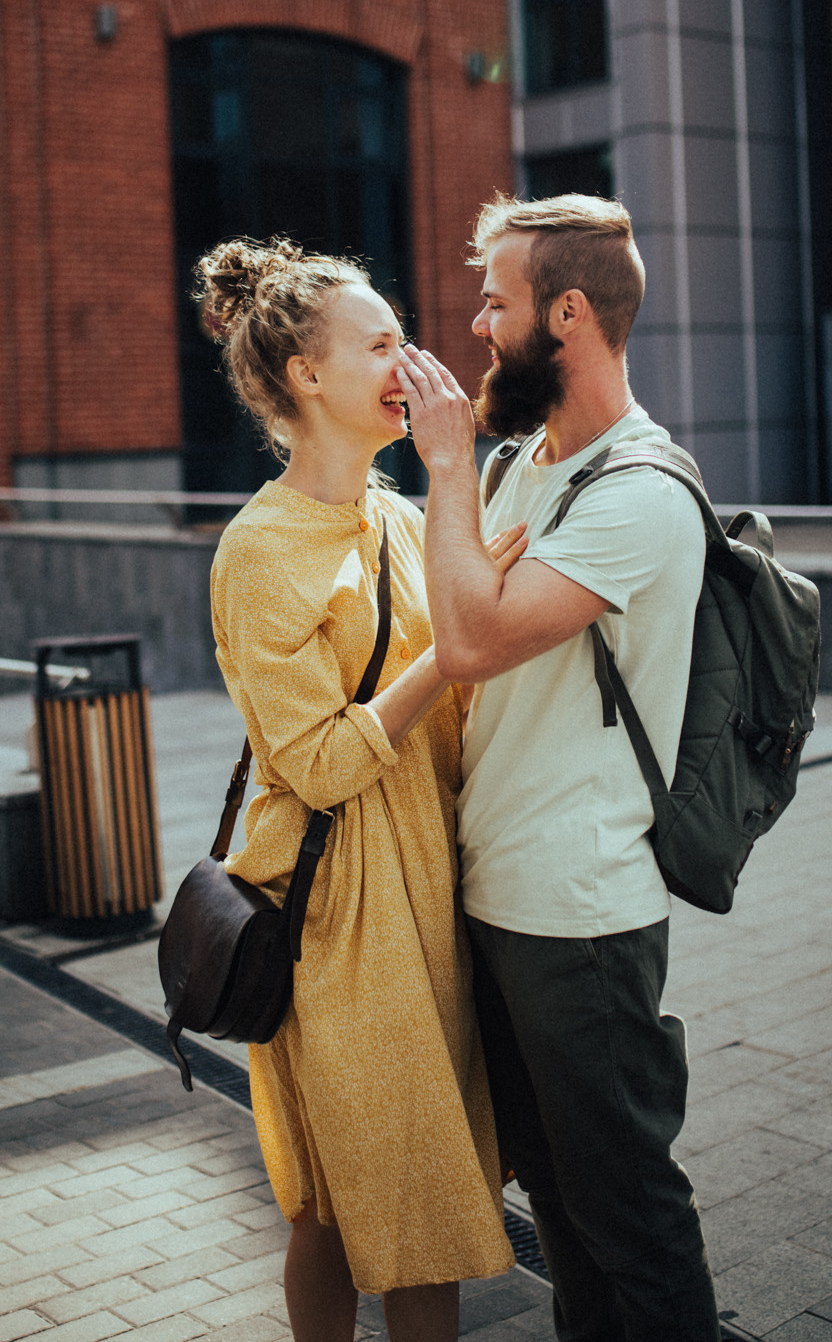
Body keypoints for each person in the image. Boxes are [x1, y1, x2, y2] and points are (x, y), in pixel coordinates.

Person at [396, 192, 722, 1342]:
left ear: (567, 313)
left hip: (579, 919)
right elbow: (462, 641)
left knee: (627, 1218)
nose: (476, 324)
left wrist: (443, 468)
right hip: (501, 903)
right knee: (567, 1220)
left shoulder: (640, 492)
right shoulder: (525, 465)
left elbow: (471, 637)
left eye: (496, 301)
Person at [198, 235, 517, 1342]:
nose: (409, 360)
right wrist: (457, 650)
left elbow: (465, 716)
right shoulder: (257, 549)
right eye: (382, 342)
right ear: (306, 375)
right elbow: (324, 761)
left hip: (430, 895)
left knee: (399, 1202)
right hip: (335, 916)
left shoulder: (396, 513)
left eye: (406, 338)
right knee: (346, 1211)